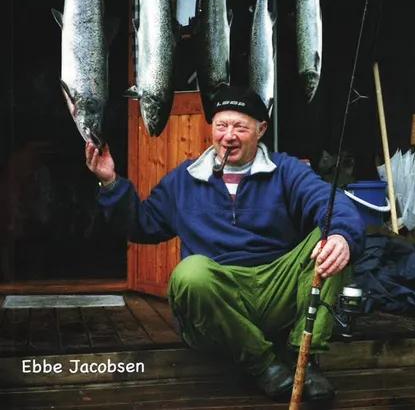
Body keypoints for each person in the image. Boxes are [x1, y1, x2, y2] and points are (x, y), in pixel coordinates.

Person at [86, 86, 364, 402]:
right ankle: (266, 366)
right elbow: (141, 224)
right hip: (216, 304)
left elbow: (331, 205)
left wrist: (341, 237)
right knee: (191, 273)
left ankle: (305, 357)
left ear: (261, 130)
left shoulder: (286, 170)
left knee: (329, 239)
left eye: (240, 127)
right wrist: (109, 182)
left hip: (274, 290)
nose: (228, 136)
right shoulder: (185, 179)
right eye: (221, 126)